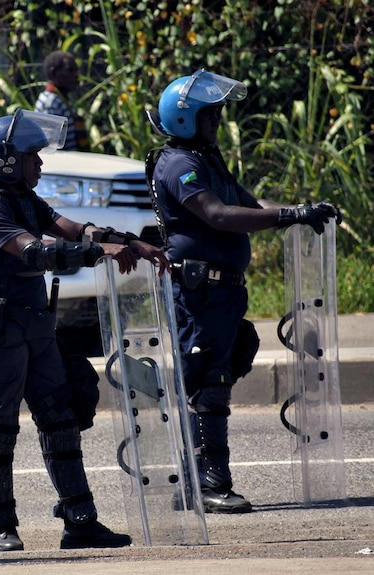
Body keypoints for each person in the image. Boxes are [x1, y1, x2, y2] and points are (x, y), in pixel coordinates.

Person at [0, 109, 168, 552]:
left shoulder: (23, 198)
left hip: (36, 328)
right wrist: (95, 252)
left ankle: (80, 521)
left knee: (61, 422)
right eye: (33, 156)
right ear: (9, 160)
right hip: (0, 333)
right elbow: (34, 252)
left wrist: (129, 242)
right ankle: (2, 527)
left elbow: (72, 228)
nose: (40, 164)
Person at [146, 69, 342, 513]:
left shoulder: (207, 159)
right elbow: (216, 214)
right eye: (210, 117)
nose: (217, 124)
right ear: (185, 120)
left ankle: (195, 482)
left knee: (224, 367)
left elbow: (251, 206)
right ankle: (210, 484)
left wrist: (299, 212)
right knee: (208, 384)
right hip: (200, 295)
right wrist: (284, 216)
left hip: (223, 293)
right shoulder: (179, 164)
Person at [34, 51, 88, 151]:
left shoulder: (60, 99)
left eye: (76, 70)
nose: (76, 75)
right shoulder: (51, 103)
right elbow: (50, 147)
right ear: (54, 73)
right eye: (70, 70)